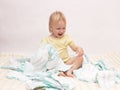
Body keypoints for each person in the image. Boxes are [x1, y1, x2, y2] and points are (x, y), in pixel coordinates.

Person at [41, 11, 84, 77]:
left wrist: (79, 49)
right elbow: (42, 53)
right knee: (47, 65)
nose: (61, 31)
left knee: (80, 58)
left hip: (66, 62)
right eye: (58, 28)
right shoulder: (46, 40)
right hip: (55, 64)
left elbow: (74, 48)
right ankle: (58, 71)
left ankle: (69, 71)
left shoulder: (66, 38)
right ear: (51, 28)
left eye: (64, 28)